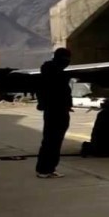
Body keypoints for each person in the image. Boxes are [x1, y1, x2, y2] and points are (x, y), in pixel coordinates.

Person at [35, 48, 73, 178]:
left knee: (50, 140)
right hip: (56, 111)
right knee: (53, 141)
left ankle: (46, 168)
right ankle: (46, 169)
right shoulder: (56, 75)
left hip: (55, 110)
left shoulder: (49, 73)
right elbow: (58, 93)